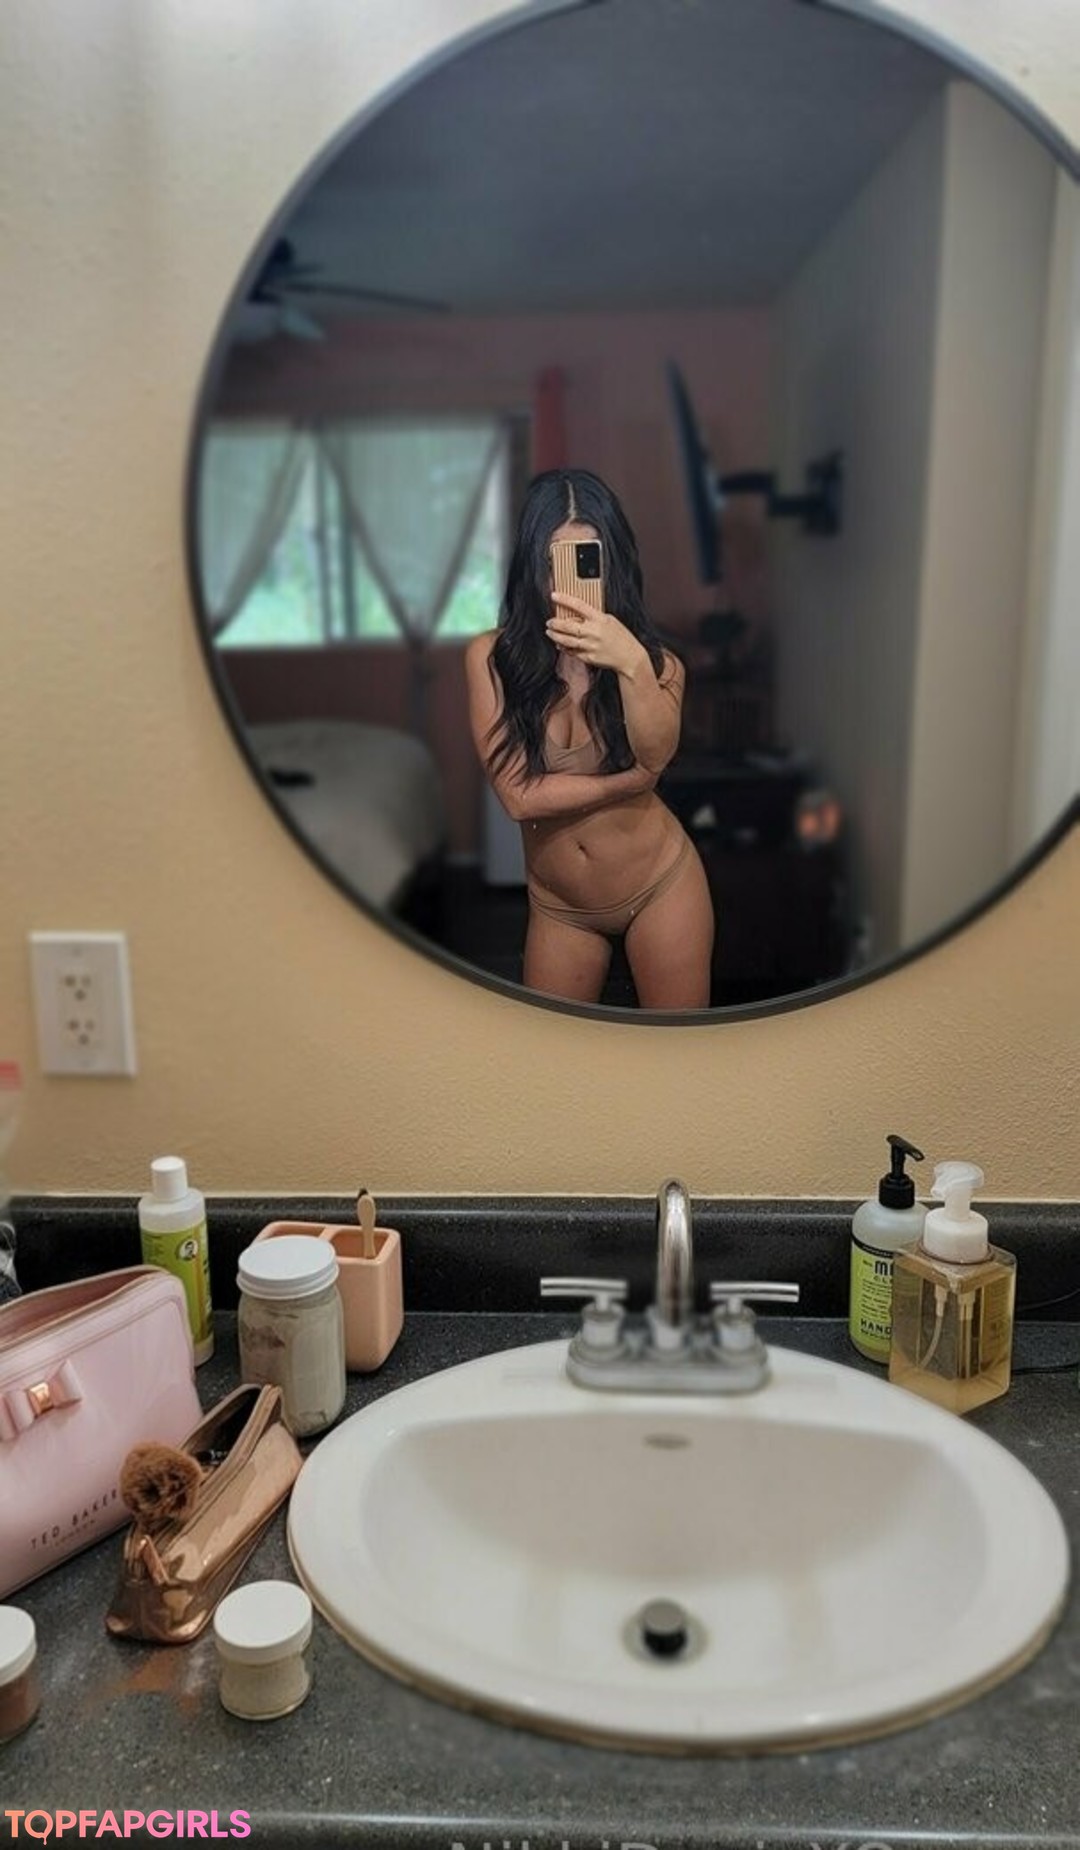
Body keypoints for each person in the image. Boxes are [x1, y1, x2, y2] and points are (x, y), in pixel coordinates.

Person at [465, 468, 714, 1008]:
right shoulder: (491, 659)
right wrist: (627, 783)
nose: (565, 584)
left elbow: (656, 755)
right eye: (554, 560)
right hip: (561, 906)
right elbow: (519, 796)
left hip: (660, 884)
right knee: (553, 1053)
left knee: (678, 1048)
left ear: (613, 563)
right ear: (531, 564)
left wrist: (629, 664)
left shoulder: (657, 664)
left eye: (587, 560)